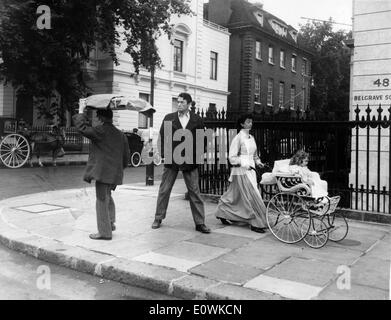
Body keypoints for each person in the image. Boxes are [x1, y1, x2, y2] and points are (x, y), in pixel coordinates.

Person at [151, 93, 211, 233]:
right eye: (177, 102)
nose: (179, 104)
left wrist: (196, 157)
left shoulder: (197, 120)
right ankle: (158, 217)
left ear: (189, 104)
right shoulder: (169, 118)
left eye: (182, 102)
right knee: (164, 190)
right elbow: (162, 137)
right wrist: (165, 155)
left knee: (194, 192)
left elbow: (202, 141)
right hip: (172, 159)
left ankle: (200, 223)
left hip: (190, 160)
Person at [72, 108, 130, 240]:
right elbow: (126, 157)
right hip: (114, 173)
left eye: (97, 117)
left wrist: (81, 113)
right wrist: (118, 170)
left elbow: (82, 128)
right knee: (107, 196)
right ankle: (110, 223)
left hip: (103, 173)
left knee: (101, 200)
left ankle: (104, 232)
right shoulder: (121, 134)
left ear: (102, 118)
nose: (96, 119)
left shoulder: (100, 131)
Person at [214, 114, 268, 233]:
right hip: (241, 171)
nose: (250, 124)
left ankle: (222, 212)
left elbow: (254, 155)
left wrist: (258, 162)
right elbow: (232, 158)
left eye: (251, 122)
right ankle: (255, 223)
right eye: (248, 122)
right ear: (242, 124)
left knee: (234, 196)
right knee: (251, 196)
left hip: (251, 170)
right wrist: (244, 163)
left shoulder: (252, 138)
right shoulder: (238, 138)